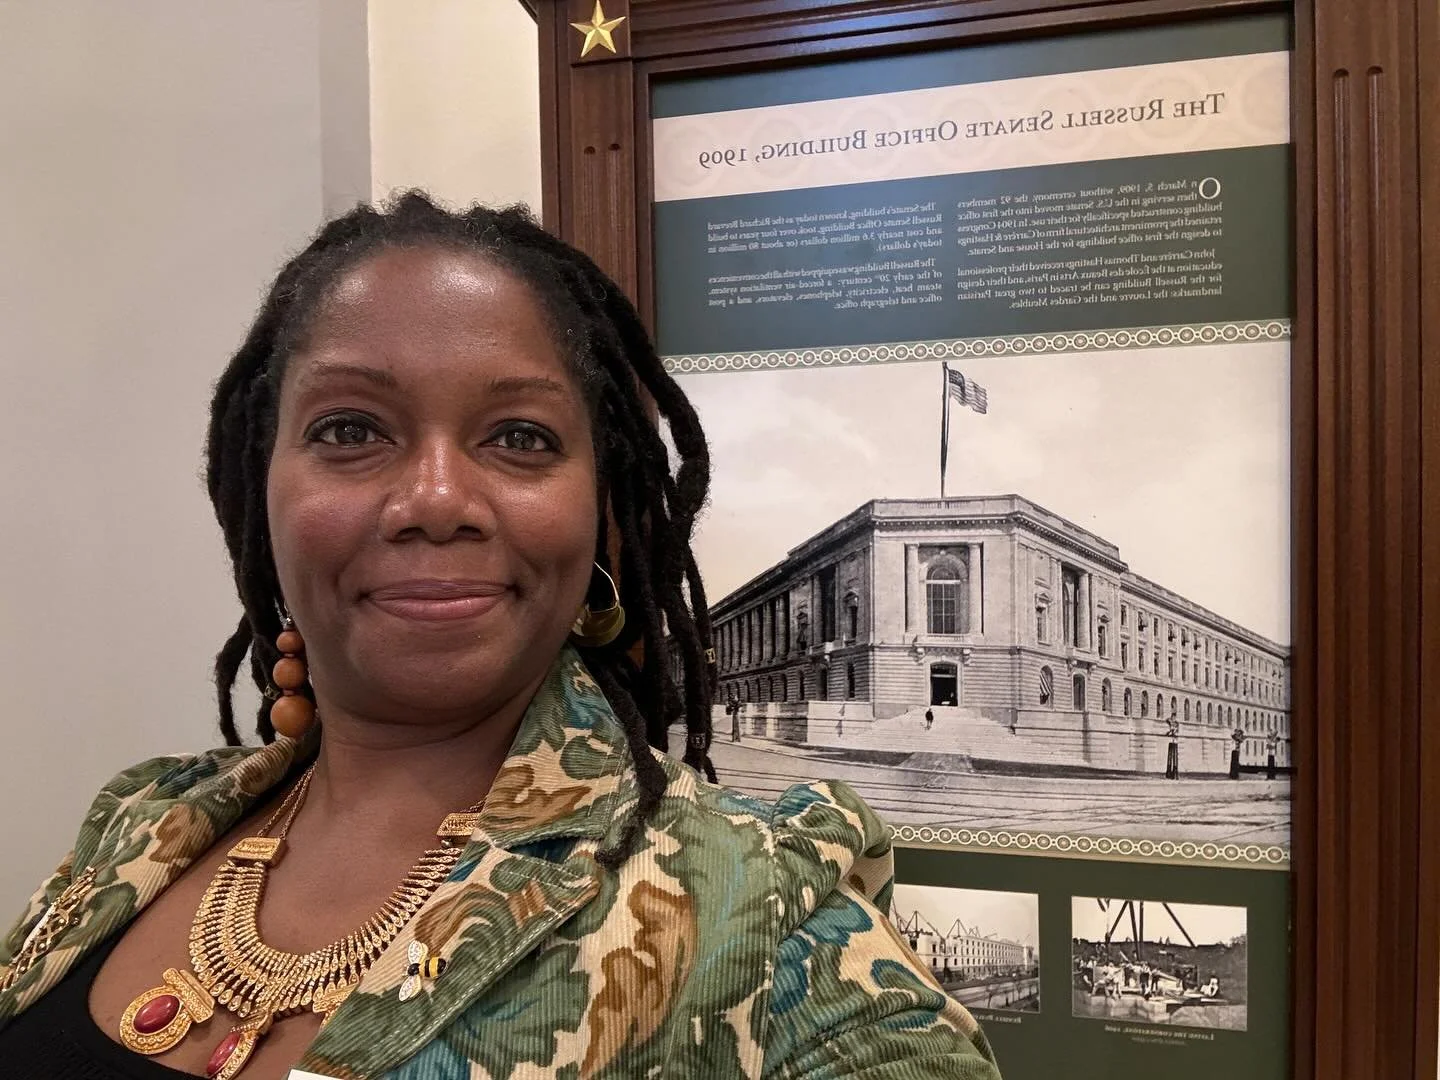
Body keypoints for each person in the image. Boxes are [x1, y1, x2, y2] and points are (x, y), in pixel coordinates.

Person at [0, 195, 1001, 1079]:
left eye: (520, 437)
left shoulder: (762, 906)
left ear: (598, 509)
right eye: (351, 429)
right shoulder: (139, 826)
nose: (437, 500)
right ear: (261, 488)